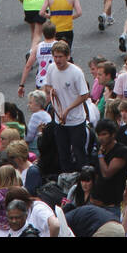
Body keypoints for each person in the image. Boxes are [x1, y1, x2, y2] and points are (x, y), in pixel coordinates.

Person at [43, 41, 90, 172]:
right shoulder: (51, 68)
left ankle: (83, 180)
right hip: (60, 121)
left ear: (68, 56)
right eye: (55, 57)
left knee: (79, 153)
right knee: (63, 154)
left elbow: (84, 95)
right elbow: (47, 86)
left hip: (76, 121)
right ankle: (66, 180)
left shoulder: (76, 72)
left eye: (60, 57)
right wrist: (50, 90)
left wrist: (68, 109)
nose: (57, 60)